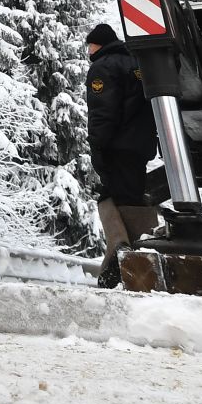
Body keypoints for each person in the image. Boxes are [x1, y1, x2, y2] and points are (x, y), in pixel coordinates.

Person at [85, 21, 160, 289]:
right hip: (139, 146)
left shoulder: (103, 67)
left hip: (117, 145)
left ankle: (120, 255)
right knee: (133, 198)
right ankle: (139, 259)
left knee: (111, 197)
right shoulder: (136, 65)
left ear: (99, 45)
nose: (89, 50)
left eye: (90, 45)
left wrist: (98, 145)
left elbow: (103, 110)